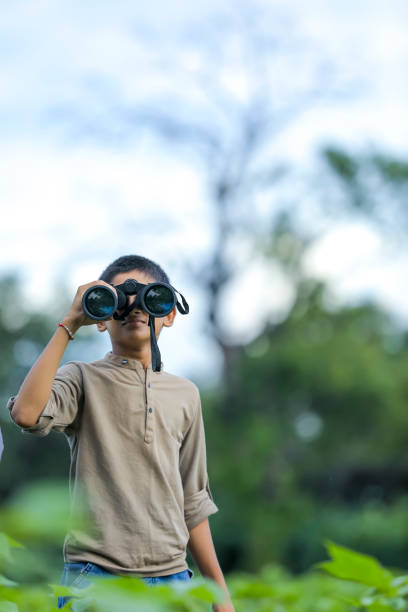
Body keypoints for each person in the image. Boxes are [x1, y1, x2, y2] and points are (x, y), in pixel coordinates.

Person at [7, 254, 235, 611]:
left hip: (173, 580)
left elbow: (193, 501)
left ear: (170, 313)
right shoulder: (82, 377)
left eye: (151, 298)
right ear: (102, 318)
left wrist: (221, 599)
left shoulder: (186, 394)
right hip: (95, 575)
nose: (135, 308)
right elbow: (26, 413)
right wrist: (69, 323)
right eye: (120, 300)